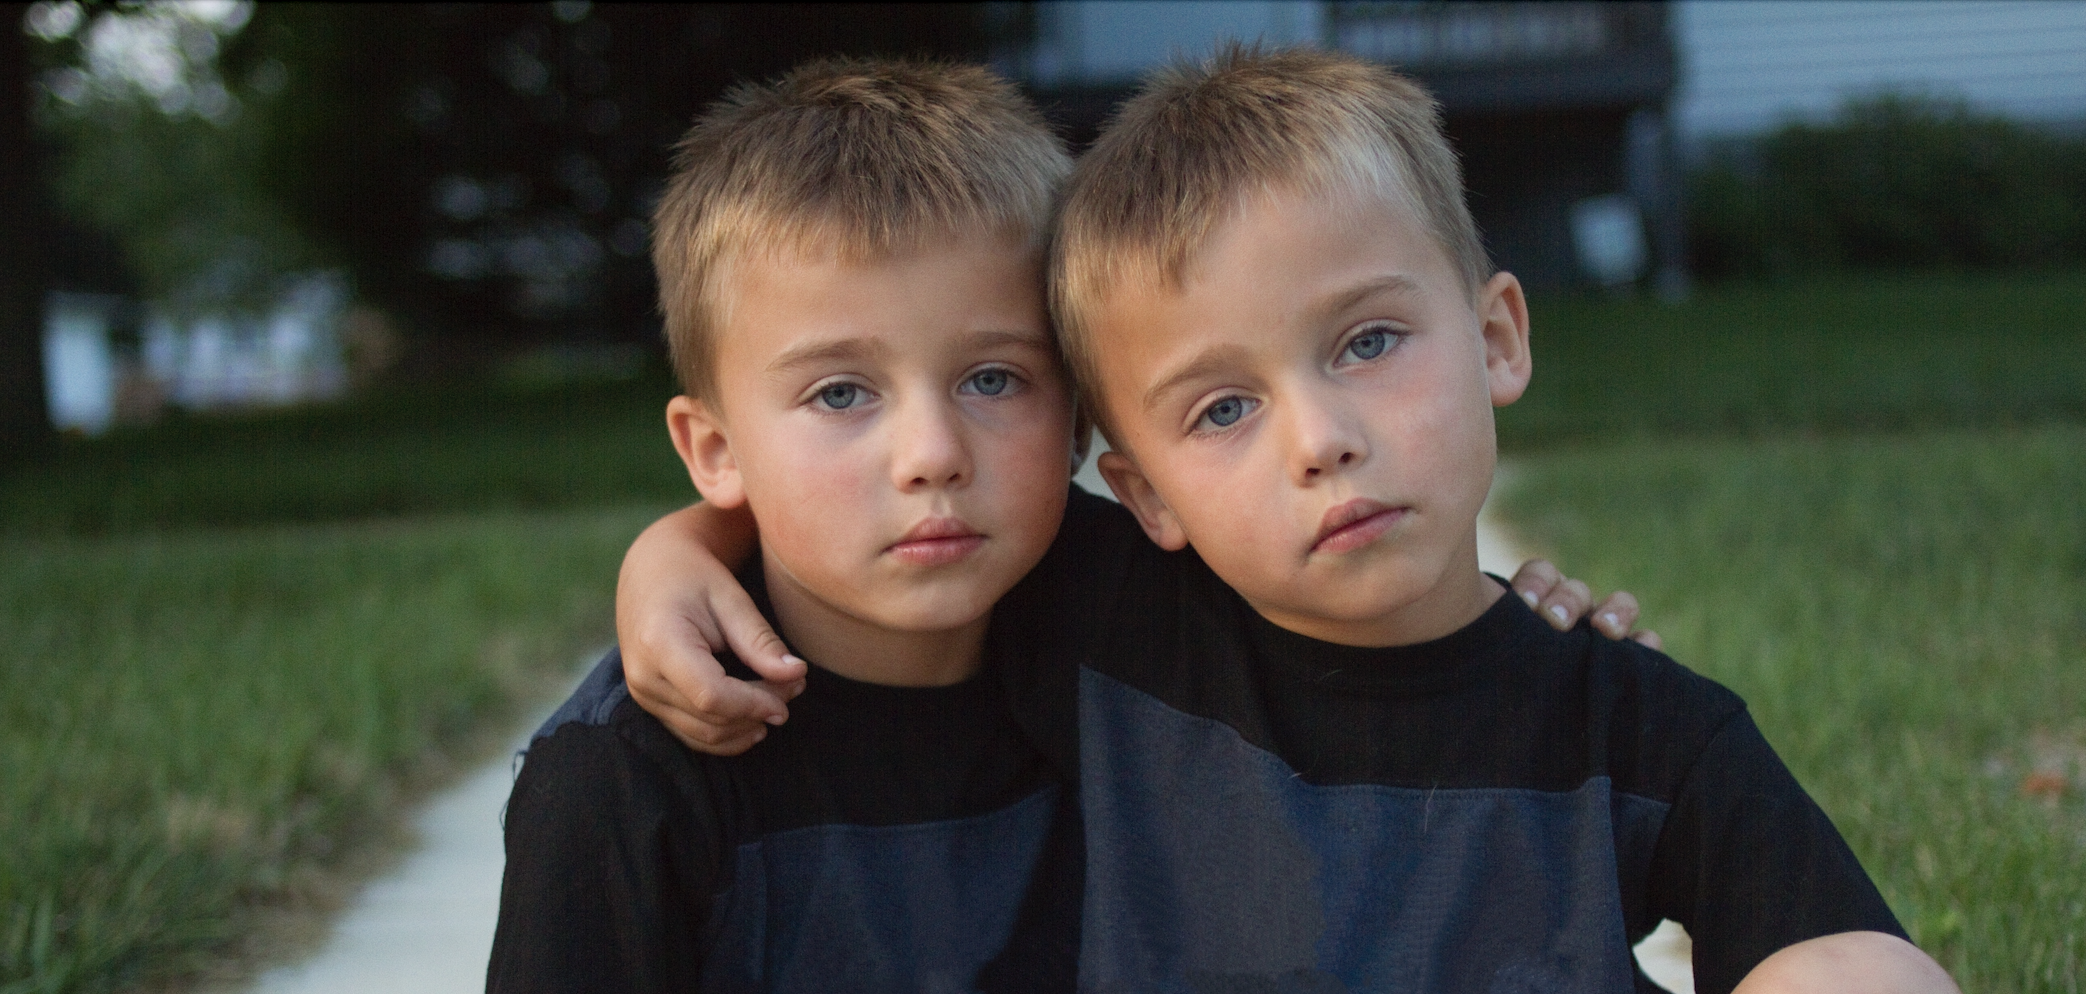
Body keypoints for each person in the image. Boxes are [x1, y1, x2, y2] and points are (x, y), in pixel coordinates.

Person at [609, 48, 1962, 994]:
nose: (1320, 437)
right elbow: (862, 529)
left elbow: (1839, 947)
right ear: (1136, 490)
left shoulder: (1639, 720)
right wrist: (674, 552)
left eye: (1368, 340)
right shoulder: (1111, 630)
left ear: (1495, 335)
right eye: (1219, 412)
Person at [486, 58, 1089, 992]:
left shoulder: (1147, 658)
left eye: (992, 378)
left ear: (1079, 411)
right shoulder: (622, 786)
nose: (931, 453)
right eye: (840, 392)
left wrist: (680, 543)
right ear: (715, 450)